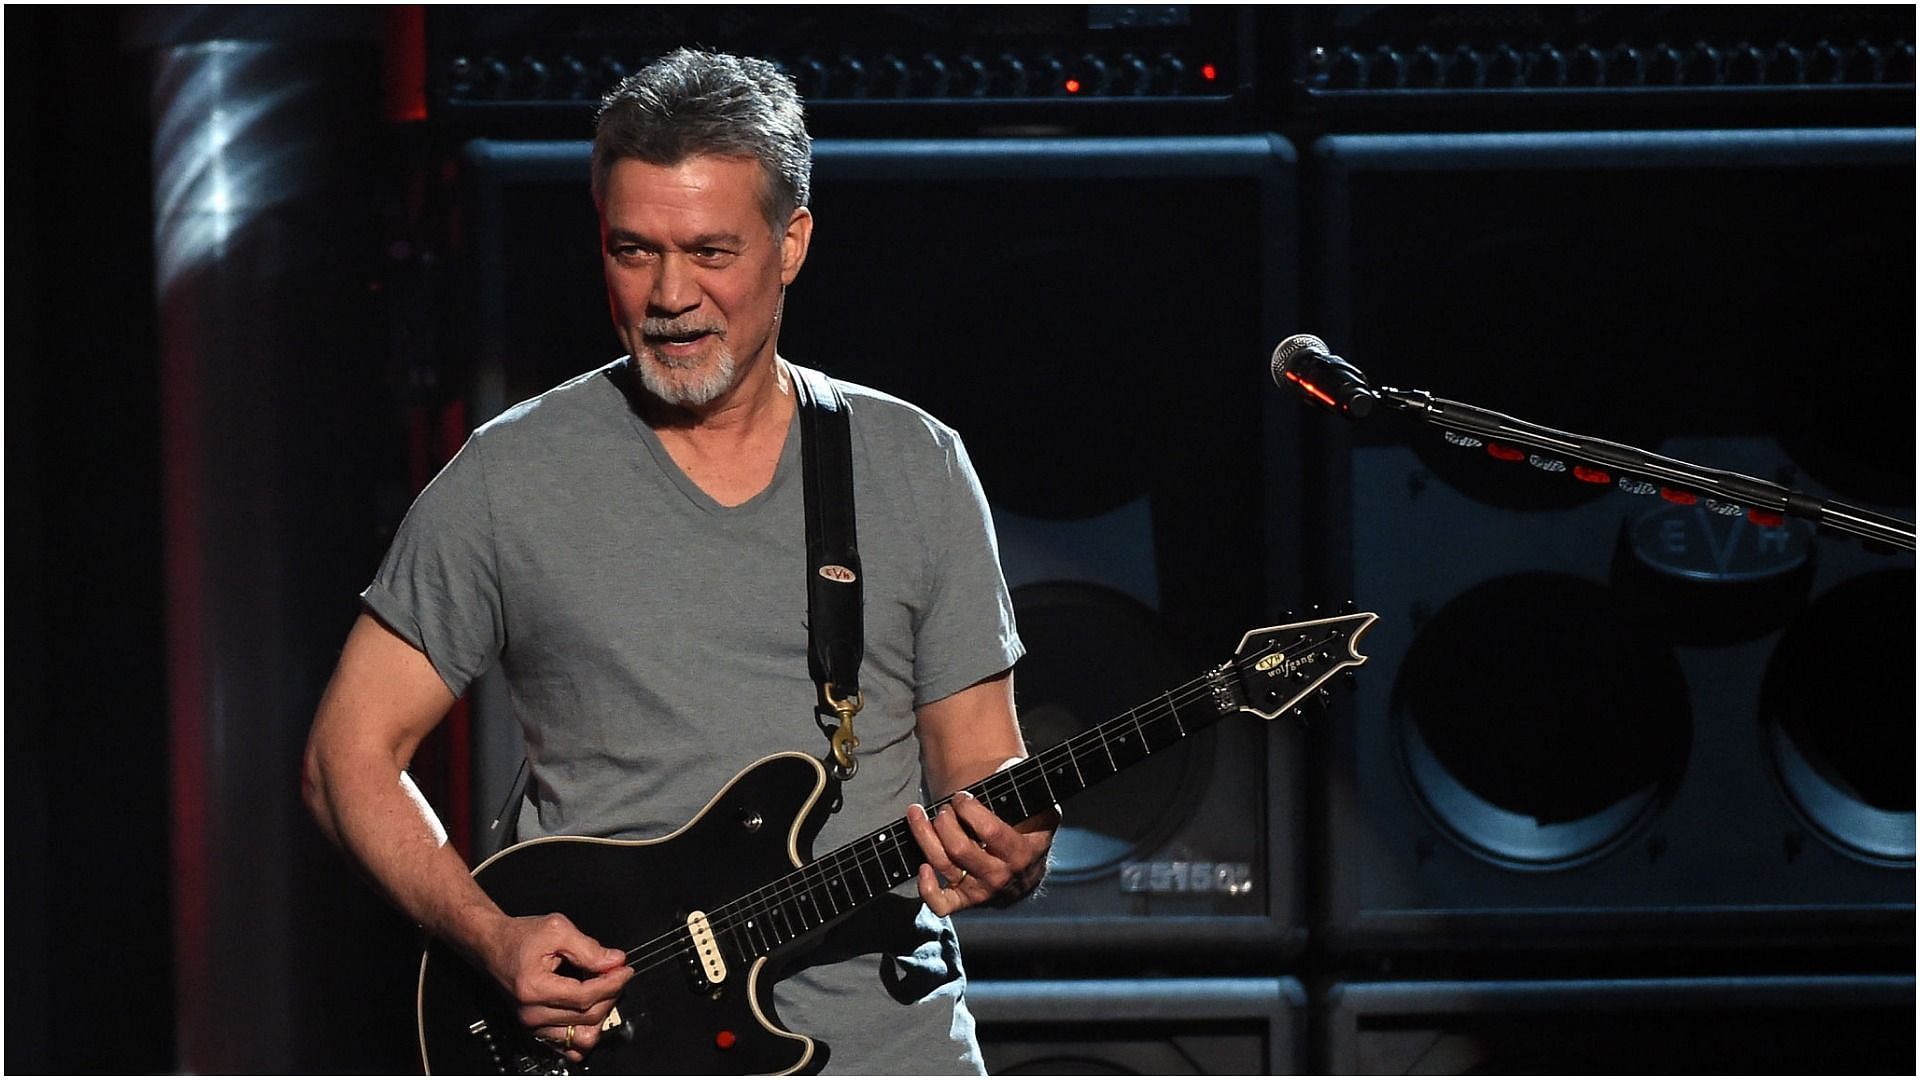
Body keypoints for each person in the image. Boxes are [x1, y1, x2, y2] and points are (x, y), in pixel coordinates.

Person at [302, 48, 1055, 1074]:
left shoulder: (912, 464)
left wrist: (1013, 849)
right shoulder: (511, 476)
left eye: (710, 251)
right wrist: (488, 935)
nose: (669, 294)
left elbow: (981, 768)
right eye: (633, 250)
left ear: (791, 243)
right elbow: (344, 759)